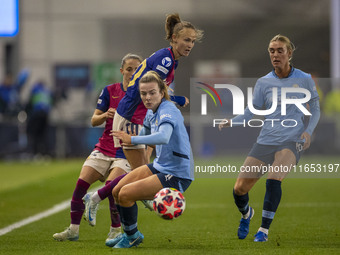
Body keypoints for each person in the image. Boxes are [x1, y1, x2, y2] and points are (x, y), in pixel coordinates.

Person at [219, 34, 320, 242]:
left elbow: (315, 108)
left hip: (291, 141)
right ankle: (247, 214)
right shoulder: (264, 83)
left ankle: (263, 231)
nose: (275, 54)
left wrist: (308, 131)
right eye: (272, 51)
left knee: (274, 178)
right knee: (239, 189)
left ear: (289, 53)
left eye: (280, 50)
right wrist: (232, 121)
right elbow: (250, 112)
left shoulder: (304, 79)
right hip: (266, 140)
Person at [53, 53, 143, 242]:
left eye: (137, 69)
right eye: (129, 69)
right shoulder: (110, 91)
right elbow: (94, 120)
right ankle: (73, 230)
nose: (133, 72)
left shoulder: (144, 95)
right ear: (122, 71)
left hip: (124, 151)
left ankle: (115, 230)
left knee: (112, 188)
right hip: (103, 148)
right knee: (80, 185)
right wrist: (105, 116)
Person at [107, 71, 194, 248]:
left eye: (152, 92)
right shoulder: (150, 111)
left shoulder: (167, 109)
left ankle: (132, 236)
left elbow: (163, 137)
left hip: (177, 173)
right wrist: (142, 161)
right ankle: (128, 233)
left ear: (162, 92)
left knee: (125, 194)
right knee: (116, 190)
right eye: (143, 93)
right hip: (160, 165)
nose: (147, 97)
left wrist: (131, 139)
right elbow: (146, 135)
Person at [112, 13, 203, 172]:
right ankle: (98, 196)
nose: (190, 45)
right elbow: (151, 91)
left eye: (193, 41)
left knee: (140, 172)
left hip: (139, 116)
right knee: (139, 174)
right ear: (174, 38)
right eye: (186, 40)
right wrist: (176, 99)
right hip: (130, 115)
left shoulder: (171, 60)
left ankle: (99, 195)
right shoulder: (166, 60)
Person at [25, 80, 53, 156]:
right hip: (45, 116)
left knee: (34, 134)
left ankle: (35, 153)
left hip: (36, 115)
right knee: (43, 135)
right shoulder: (47, 91)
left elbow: (30, 102)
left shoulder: (35, 89)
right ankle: (44, 153)